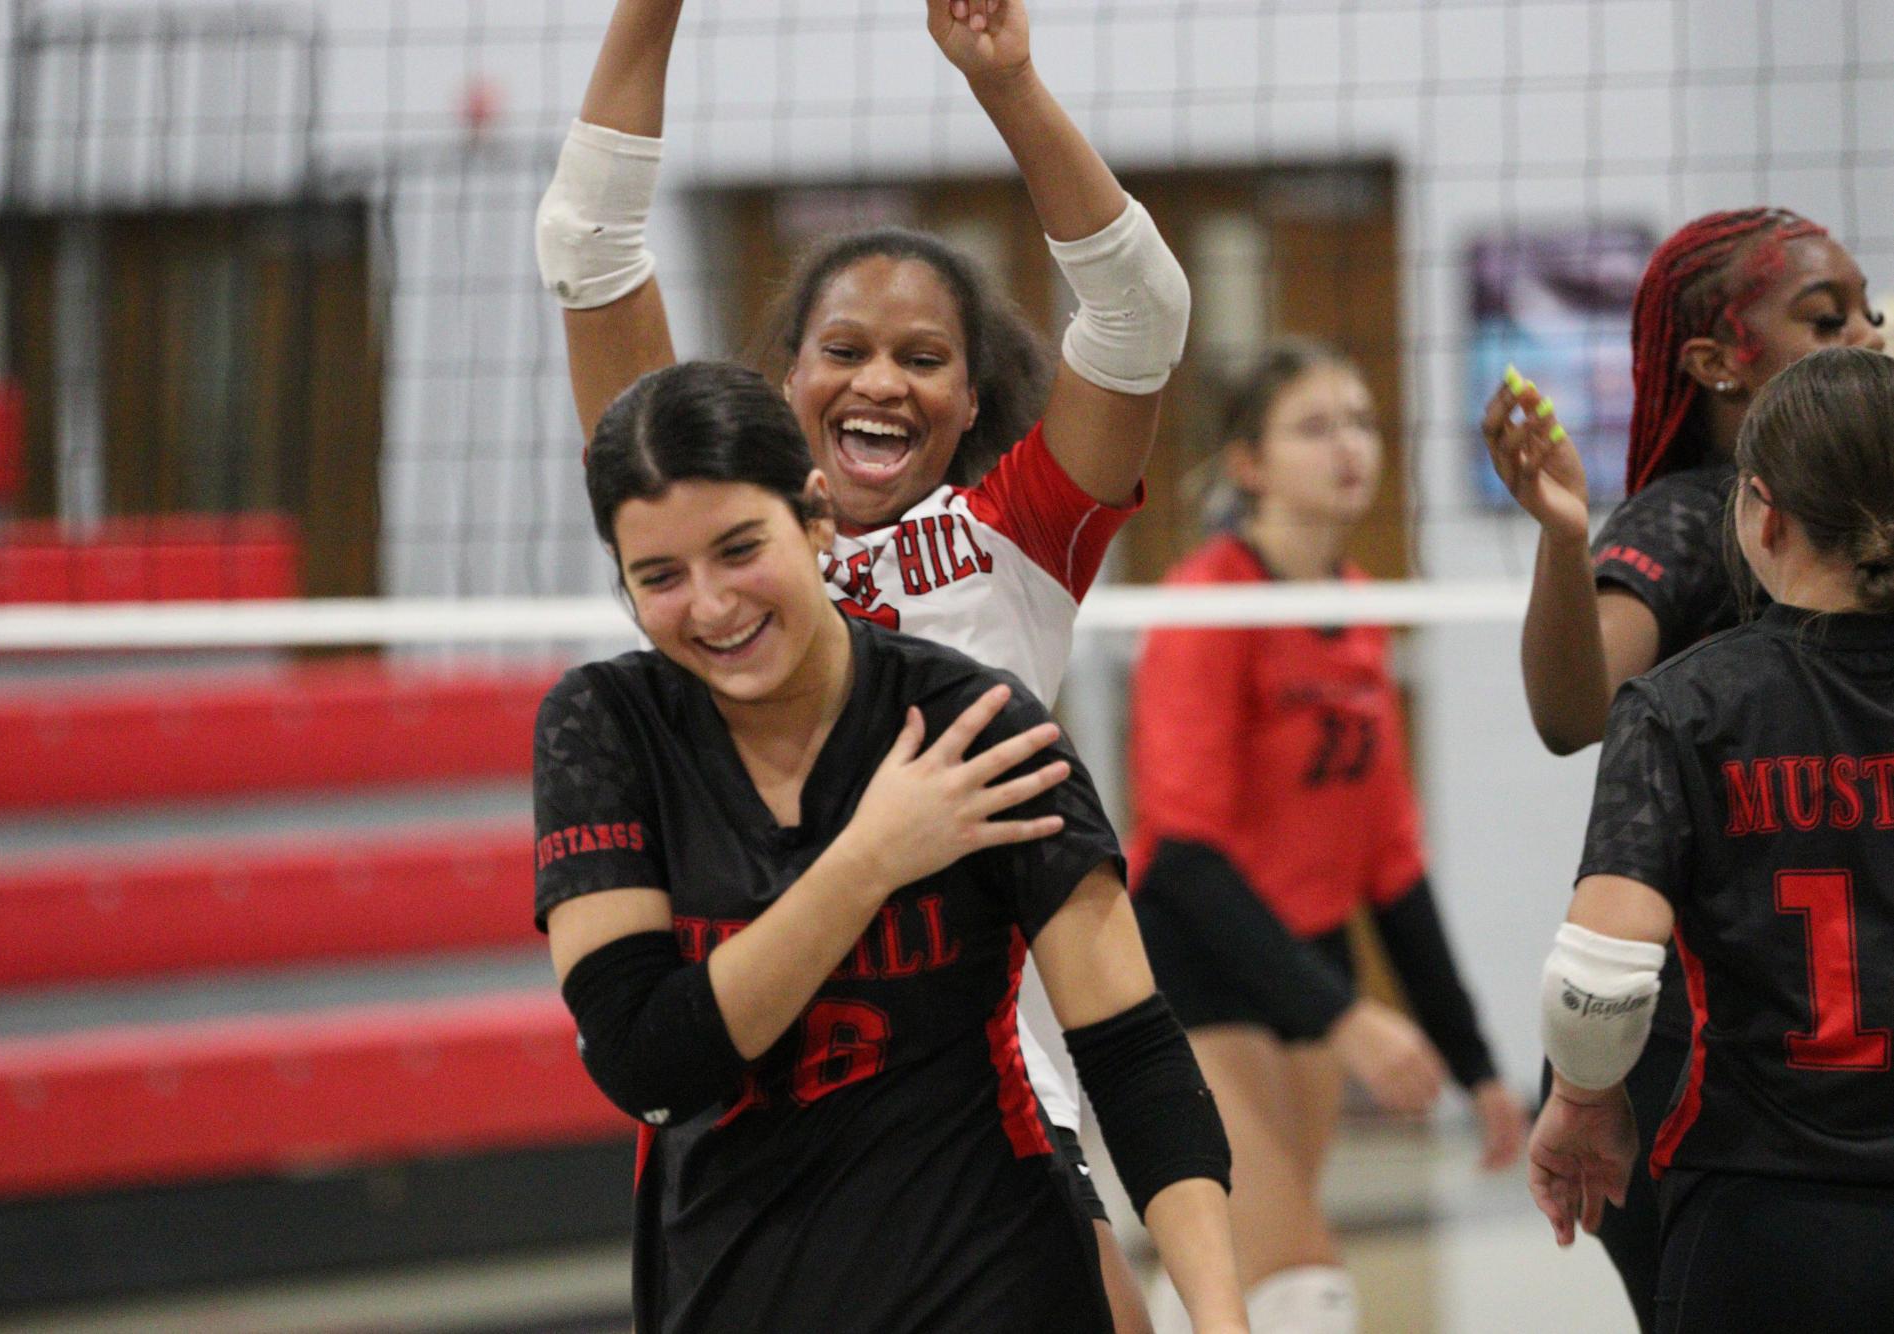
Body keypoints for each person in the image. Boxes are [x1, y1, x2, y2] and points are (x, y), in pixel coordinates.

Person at [537, 2, 1189, 1323]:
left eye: (922, 359)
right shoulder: (711, 531)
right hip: (756, 1076)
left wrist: (1005, 82)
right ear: (784, 381)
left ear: (968, 397)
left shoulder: (1011, 541)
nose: (880, 381)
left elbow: (1136, 311)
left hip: (978, 1071)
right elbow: (588, 247)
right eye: (845, 350)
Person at [536, 360, 1244, 1333]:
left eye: (740, 548)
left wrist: (1218, 1316)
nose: (710, 606)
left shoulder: (973, 722)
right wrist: (870, 857)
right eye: (658, 576)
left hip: (996, 1281)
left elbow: (1133, 1050)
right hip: (734, 1292)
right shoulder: (605, 728)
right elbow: (648, 1059)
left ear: (817, 516)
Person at [1481, 207, 1886, 1322]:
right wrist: (1567, 543)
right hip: (1712, 1036)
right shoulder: (1696, 518)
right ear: (1713, 363)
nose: (1866, 330)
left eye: (1867, 306)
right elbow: (1573, 711)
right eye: (1827, 316)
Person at [1128, 342, 1527, 1334]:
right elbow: (1181, 852)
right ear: (1248, 463)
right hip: (1197, 962)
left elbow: (1390, 864)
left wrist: (1476, 1062)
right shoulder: (1206, 602)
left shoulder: (1359, 608)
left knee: (1244, 1286)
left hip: (1308, 961)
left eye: (1359, 421)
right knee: (1298, 1276)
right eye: (1314, 426)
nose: (1348, 445)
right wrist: (1349, 1016)